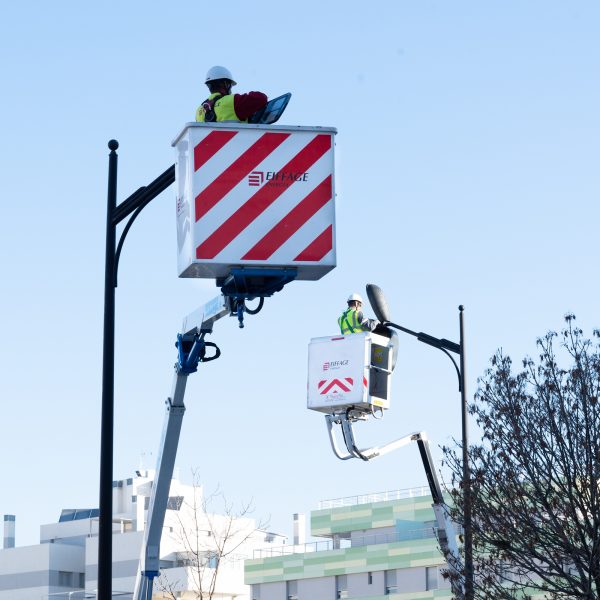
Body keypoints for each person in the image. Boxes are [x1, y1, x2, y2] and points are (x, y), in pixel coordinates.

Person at [195, 66, 268, 123]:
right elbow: (261, 98)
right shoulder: (232, 102)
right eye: (230, 85)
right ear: (226, 84)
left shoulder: (199, 111)